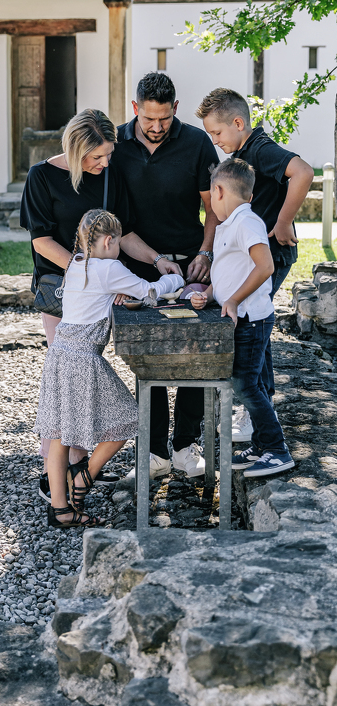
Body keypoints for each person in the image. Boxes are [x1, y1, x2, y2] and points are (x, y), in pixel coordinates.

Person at [20, 107, 181, 499]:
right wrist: (86, 272)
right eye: (96, 157)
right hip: (61, 291)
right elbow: (41, 241)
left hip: (96, 293)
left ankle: (76, 468)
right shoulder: (41, 177)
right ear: (76, 152)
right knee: (67, 389)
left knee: (80, 385)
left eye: (108, 154)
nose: (105, 162)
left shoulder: (109, 175)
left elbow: (123, 235)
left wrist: (157, 260)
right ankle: (57, 479)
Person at [35, 208, 184, 527]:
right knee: (131, 417)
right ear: (106, 241)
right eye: (117, 243)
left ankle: (61, 510)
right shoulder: (109, 267)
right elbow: (150, 291)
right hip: (83, 358)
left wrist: (116, 289)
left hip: (60, 353)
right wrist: (177, 277)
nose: (119, 250)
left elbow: (101, 291)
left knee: (60, 434)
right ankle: (84, 478)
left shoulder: (76, 263)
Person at [112, 72, 220, 479]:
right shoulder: (118, 144)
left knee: (196, 353)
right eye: (149, 119)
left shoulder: (195, 142)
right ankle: (154, 453)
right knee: (148, 357)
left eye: (164, 119)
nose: (156, 128)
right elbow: (116, 221)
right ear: (135, 108)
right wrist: (154, 260)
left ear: (175, 108)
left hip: (194, 261)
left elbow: (214, 206)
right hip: (139, 264)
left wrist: (207, 253)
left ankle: (184, 447)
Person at [196, 87, 313, 437]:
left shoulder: (259, 149)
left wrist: (282, 220)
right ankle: (259, 406)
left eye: (217, 133)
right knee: (253, 326)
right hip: (255, 252)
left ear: (237, 122)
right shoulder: (244, 153)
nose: (215, 141)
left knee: (254, 327)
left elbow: (303, 173)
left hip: (270, 253)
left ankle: (258, 411)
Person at [191, 159, 294, 476]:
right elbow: (229, 271)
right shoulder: (230, 224)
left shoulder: (246, 223)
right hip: (244, 317)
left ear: (218, 191)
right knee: (255, 383)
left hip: (251, 319)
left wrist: (233, 300)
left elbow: (265, 267)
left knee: (246, 385)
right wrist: (207, 294)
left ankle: (277, 450)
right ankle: (263, 445)